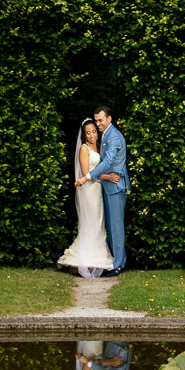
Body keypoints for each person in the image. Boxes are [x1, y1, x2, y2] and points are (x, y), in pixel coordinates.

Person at [55, 118, 113, 277]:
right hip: (88, 189)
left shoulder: (100, 146)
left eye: (94, 131)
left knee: (98, 222)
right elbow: (87, 174)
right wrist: (107, 177)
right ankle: (83, 258)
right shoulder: (84, 148)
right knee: (91, 222)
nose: (92, 135)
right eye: (88, 133)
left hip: (97, 189)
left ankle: (98, 257)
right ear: (84, 135)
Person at [89, 105, 128, 275]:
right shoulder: (107, 135)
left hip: (116, 186)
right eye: (96, 120)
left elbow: (108, 162)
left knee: (116, 227)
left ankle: (119, 265)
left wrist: (90, 175)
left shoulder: (115, 137)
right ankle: (119, 260)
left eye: (100, 120)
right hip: (109, 185)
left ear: (109, 119)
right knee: (112, 226)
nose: (98, 124)